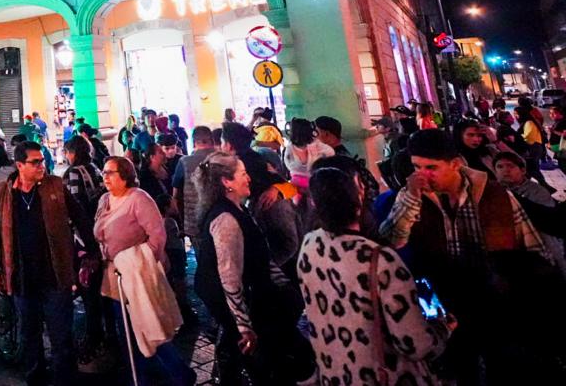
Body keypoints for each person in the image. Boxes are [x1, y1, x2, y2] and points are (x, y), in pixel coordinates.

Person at [379, 129, 555, 382]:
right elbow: (392, 240)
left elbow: (532, 247)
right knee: (462, 372)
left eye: (431, 167)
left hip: (498, 307)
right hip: (448, 311)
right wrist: (410, 200)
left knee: (504, 368)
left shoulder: (494, 194)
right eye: (417, 167)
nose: (423, 175)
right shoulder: (414, 198)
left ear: (455, 164)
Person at [298, 168, 452, 384]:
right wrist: (442, 327)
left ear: (314, 203)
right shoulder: (378, 260)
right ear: (358, 200)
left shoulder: (310, 246)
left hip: (336, 373)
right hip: (383, 376)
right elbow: (415, 343)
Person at [194, 151, 313, 385]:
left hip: (258, 303)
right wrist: (243, 326)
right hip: (246, 309)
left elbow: (261, 256)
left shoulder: (238, 208)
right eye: (242, 174)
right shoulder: (226, 219)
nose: (248, 178)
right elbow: (230, 277)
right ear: (226, 182)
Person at [0, 141, 97, 385]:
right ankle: (35, 376)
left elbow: (80, 218)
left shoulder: (54, 186)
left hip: (55, 272)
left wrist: (91, 251)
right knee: (29, 333)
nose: (41, 166)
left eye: (42, 161)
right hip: (22, 275)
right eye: (35, 162)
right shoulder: (4, 193)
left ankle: (64, 379)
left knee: (60, 334)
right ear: (20, 165)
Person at [94, 156, 193, 386]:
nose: (105, 176)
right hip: (114, 278)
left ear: (125, 175)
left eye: (111, 172)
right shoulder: (104, 201)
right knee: (126, 331)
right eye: (104, 172)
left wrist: (138, 261)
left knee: (148, 325)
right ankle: (140, 376)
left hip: (139, 274)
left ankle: (179, 374)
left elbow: (157, 236)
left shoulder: (139, 199)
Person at [62, 134, 109, 364]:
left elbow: (74, 205)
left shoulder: (73, 173)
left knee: (87, 286)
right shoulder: (95, 168)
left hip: (83, 236)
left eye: (67, 151)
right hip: (99, 233)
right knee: (99, 287)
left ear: (72, 152)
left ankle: (93, 337)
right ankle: (105, 333)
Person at [172, 126, 216, 251]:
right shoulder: (224, 160)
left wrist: (182, 223)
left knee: (203, 260)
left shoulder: (184, 162)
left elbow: (176, 195)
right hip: (222, 217)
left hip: (194, 222)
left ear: (194, 142)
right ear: (212, 140)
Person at [281, 118, 334, 191]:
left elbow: (330, 153)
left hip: (314, 184)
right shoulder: (289, 149)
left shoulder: (317, 146)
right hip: (297, 187)